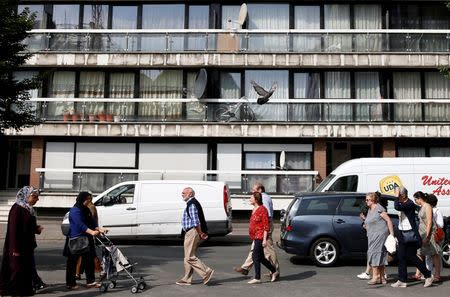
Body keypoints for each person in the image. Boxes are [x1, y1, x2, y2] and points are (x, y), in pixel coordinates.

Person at [0, 186, 41, 296]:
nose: (37, 199)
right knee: (16, 270)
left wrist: (37, 229)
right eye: (34, 197)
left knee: (25, 270)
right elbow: (14, 231)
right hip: (17, 247)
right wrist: (15, 249)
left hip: (27, 246)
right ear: (26, 196)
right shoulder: (17, 209)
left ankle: (23, 291)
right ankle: (13, 292)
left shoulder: (28, 209)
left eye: (37, 197)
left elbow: (28, 226)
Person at [234, 182, 280, 279]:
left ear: (260, 190)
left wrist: (264, 232)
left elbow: (265, 216)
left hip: (264, 228)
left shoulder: (264, 198)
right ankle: (246, 268)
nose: (252, 191)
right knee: (256, 250)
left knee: (268, 250)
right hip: (259, 230)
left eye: (254, 190)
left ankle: (275, 271)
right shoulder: (264, 197)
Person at [391, 186, 433, 288]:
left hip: (410, 234)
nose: (396, 196)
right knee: (401, 257)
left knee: (411, 256)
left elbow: (397, 207)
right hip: (401, 233)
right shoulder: (403, 203)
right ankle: (402, 280)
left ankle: (428, 275)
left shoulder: (409, 204)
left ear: (403, 195)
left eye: (398, 195)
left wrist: (396, 196)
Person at [64, 192, 106, 290]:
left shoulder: (86, 209)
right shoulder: (75, 210)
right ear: (83, 199)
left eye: (90, 199)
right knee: (72, 262)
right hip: (76, 238)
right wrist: (92, 232)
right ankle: (70, 283)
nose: (90, 201)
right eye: (88, 199)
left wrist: (98, 229)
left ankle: (90, 281)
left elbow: (91, 221)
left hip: (87, 238)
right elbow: (80, 224)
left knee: (89, 260)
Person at [176, 187, 214, 286]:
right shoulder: (191, 203)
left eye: (184, 193)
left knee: (189, 257)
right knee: (187, 256)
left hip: (192, 232)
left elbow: (196, 221)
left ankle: (206, 272)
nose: (182, 194)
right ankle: (187, 279)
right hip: (190, 232)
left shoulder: (192, 204)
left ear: (190, 194)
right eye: (182, 192)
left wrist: (200, 233)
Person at [246, 192, 278, 284]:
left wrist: (264, 239)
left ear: (256, 200)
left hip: (260, 236)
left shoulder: (263, 210)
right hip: (255, 236)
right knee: (260, 258)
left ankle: (257, 277)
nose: (249, 199)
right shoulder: (254, 209)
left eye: (251, 198)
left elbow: (266, 226)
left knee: (255, 256)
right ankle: (274, 271)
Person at [364, 192, 394, 285]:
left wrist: (392, 234)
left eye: (368, 199)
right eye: (366, 200)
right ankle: (382, 278)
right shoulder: (370, 209)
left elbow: (388, 220)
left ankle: (375, 277)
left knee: (374, 254)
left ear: (373, 200)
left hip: (380, 234)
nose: (366, 201)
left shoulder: (379, 208)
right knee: (380, 255)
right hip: (372, 235)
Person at [411, 192, 441, 283]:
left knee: (433, 254)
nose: (415, 201)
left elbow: (429, 222)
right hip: (422, 233)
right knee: (419, 253)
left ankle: (437, 275)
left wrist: (427, 236)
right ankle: (418, 274)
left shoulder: (427, 206)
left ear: (420, 198)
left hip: (428, 234)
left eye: (416, 199)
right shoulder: (422, 207)